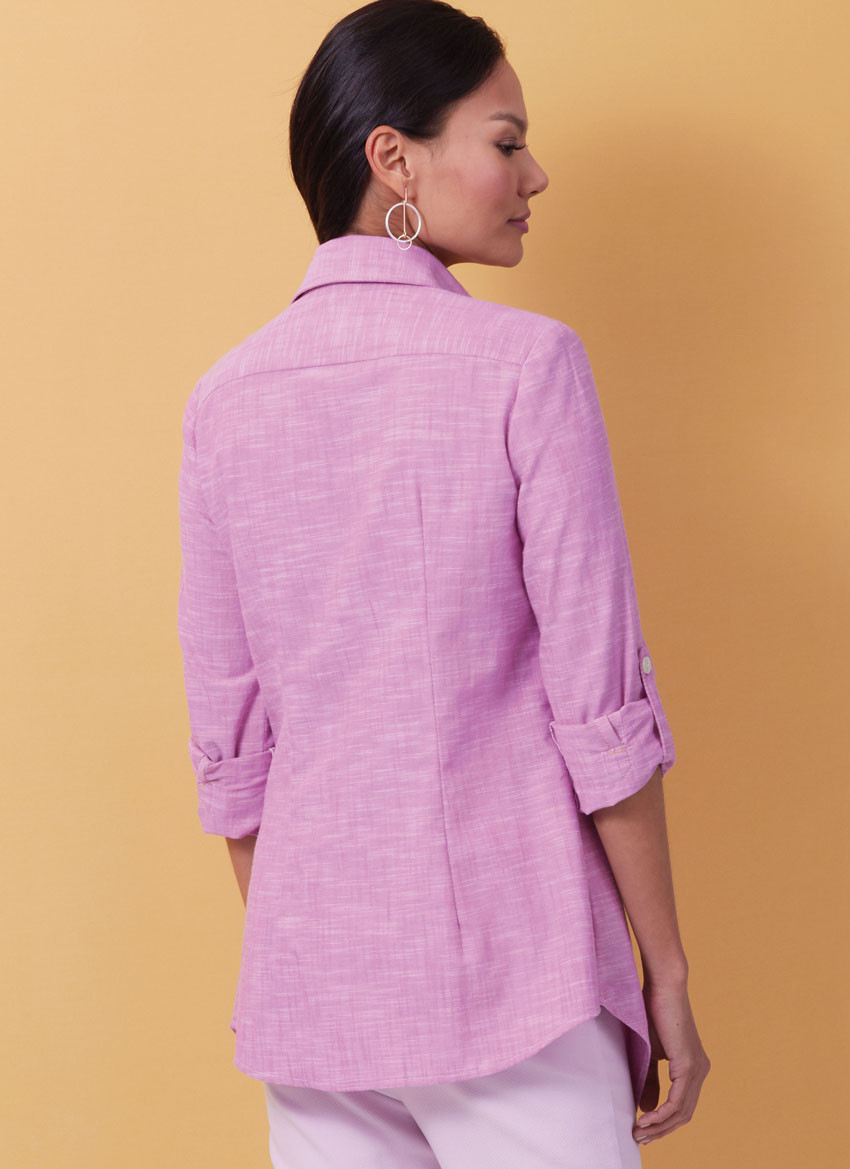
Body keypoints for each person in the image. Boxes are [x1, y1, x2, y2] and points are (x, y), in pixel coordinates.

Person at [176, 1, 710, 1165]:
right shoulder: (527, 367)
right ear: (394, 157)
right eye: (506, 141)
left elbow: (233, 749)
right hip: (516, 981)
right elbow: (598, 709)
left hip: (313, 999)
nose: (535, 174)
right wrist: (663, 970)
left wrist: (318, 956)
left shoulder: (223, 401)